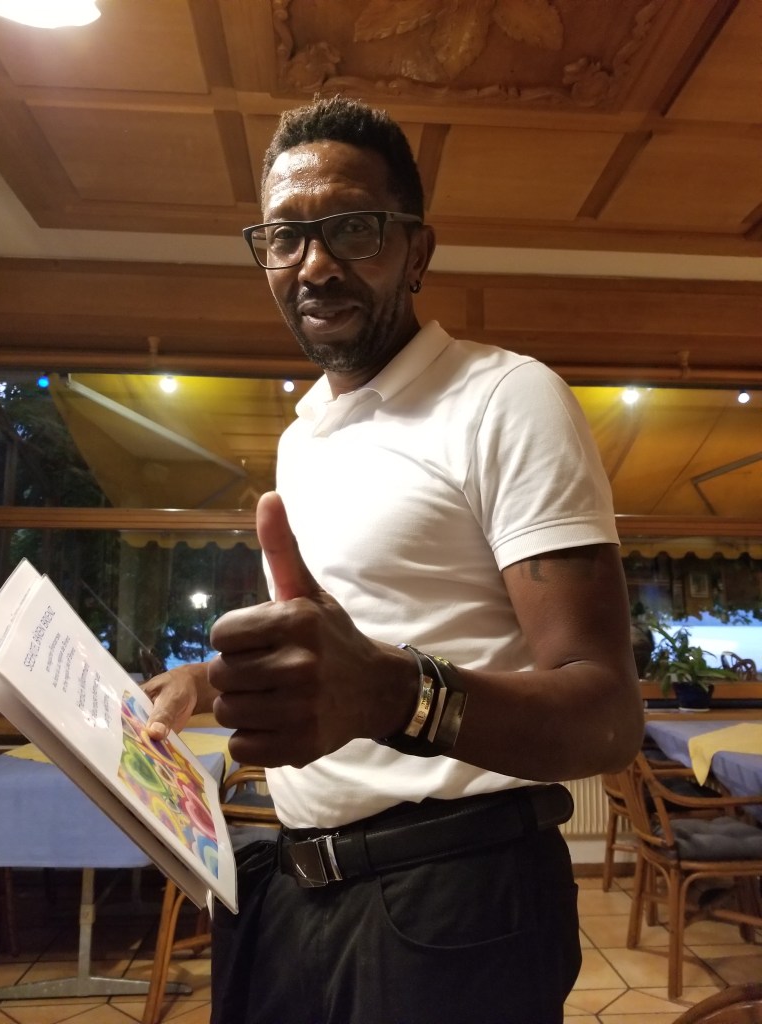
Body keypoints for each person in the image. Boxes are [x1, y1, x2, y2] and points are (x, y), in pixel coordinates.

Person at [144, 95, 644, 1024]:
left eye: (354, 228)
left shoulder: (504, 398)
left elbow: (607, 717)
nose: (314, 263)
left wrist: (393, 695)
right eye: (285, 236)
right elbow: (345, 646)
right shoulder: (304, 435)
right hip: (299, 887)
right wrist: (202, 683)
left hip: (460, 891)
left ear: (417, 251)